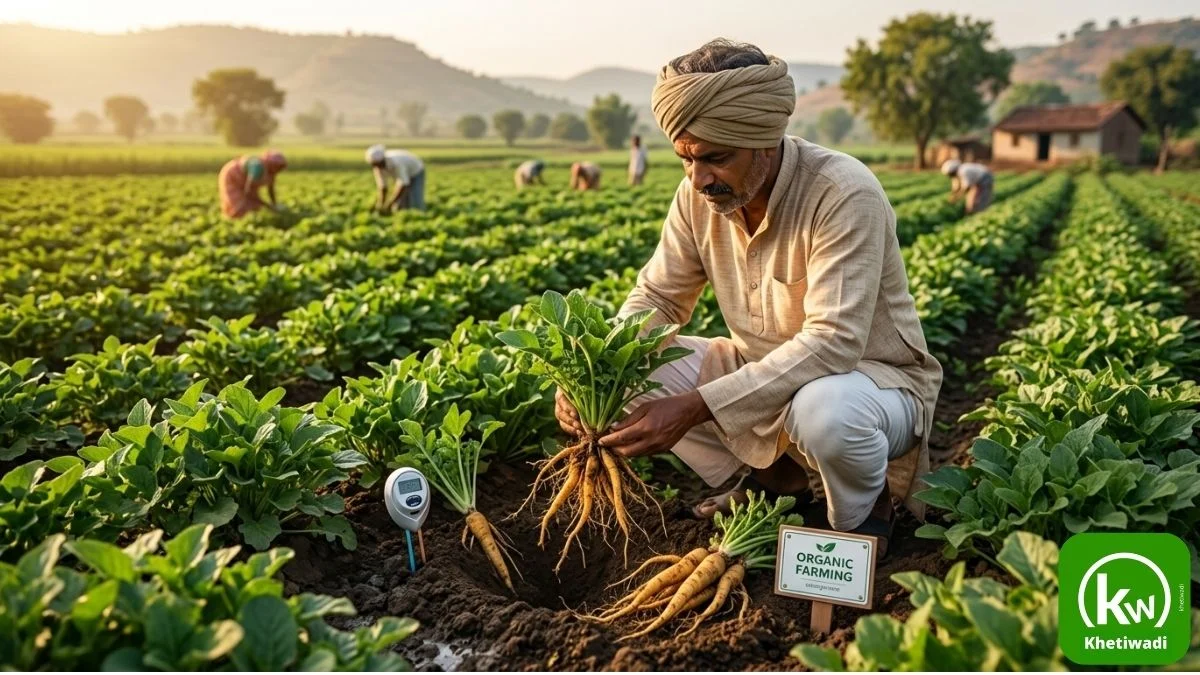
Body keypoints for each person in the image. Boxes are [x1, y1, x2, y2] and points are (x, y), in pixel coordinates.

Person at [554, 39, 943, 556]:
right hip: (763, 372)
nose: (698, 179)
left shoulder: (843, 192)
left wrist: (694, 408)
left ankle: (859, 521)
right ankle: (778, 480)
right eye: (686, 159)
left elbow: (832, 345)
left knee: (823, 410)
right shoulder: (698, 194)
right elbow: (659, 296)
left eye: (716, 158)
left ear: (766, 140)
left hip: (870, 385)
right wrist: (597, 370)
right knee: (635, 370)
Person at [218, 150, 287, 219]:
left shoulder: (271, 172)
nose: (279, 170)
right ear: (271, 164)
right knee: (239, 204)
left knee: (254, 206)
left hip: (244, 183)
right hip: (232, 177)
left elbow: (270, 190)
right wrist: (265, 204)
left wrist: (274, 204)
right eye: (278, 167)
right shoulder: (257, 168)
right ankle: (232, 219)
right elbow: (248, 191)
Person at [366, 144, 426, 212]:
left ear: (382, 161)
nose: (375, 167)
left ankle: (419, 212)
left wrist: (391, 203)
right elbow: (383, 187)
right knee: (401, 203)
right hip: (401, 174)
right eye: (373, 164)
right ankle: (404, 212)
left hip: (415, 171)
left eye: (376, 164)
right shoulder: (378, 168)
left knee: (415, 198)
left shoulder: (397, 163)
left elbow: (404, 184)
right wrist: (381, 204)